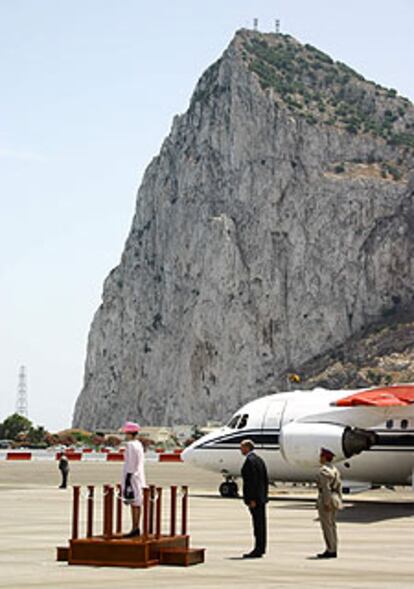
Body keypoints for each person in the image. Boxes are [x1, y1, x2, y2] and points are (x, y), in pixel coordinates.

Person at [240, 439, 269, 558]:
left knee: (257, 524)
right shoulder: (259, 460)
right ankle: (261, 547)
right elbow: (265, 480)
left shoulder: (250, 461)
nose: (240, 449)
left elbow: (252, 482)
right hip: (261, 497)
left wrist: (252, 499)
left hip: (255, 499)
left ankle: (258, 549)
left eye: (242, 447)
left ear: (247, 447)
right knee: (261, 524)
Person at [316, 447, 343, 559]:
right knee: (332, 525)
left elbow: (325, 488)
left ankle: (330, 549)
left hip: (326, 499)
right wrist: (339, 500)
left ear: (324, 457)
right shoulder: (334, 470)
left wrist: (326, 503)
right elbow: (339, 487)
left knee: (327, 526)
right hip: (335, 498)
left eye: (321, 456)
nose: (319, 458)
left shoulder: (324, 471)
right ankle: (334, 547)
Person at [121, 421, 146, 538]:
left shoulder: (130, 445)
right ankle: (136, 526)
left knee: (133, 502)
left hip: (131, 476)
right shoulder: (139, 444)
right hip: (139, 475)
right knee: (137, 502)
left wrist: (128, 478)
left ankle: (135, 527)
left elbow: (130, 463)